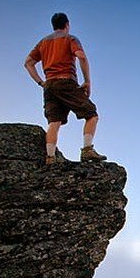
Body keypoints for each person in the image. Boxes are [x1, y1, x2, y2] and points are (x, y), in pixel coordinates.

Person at [24, 12, 106, 165]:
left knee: (54, 122)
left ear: (53, 25)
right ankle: (87, 150)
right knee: (91, 114)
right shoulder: (70, 38)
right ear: (67, 25)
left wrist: (40, 82)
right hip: (66, 81)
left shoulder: (42, 43)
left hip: (49, 85)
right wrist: (87, 81)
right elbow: (81, 56)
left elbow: (28, 63)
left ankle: (50, 158)